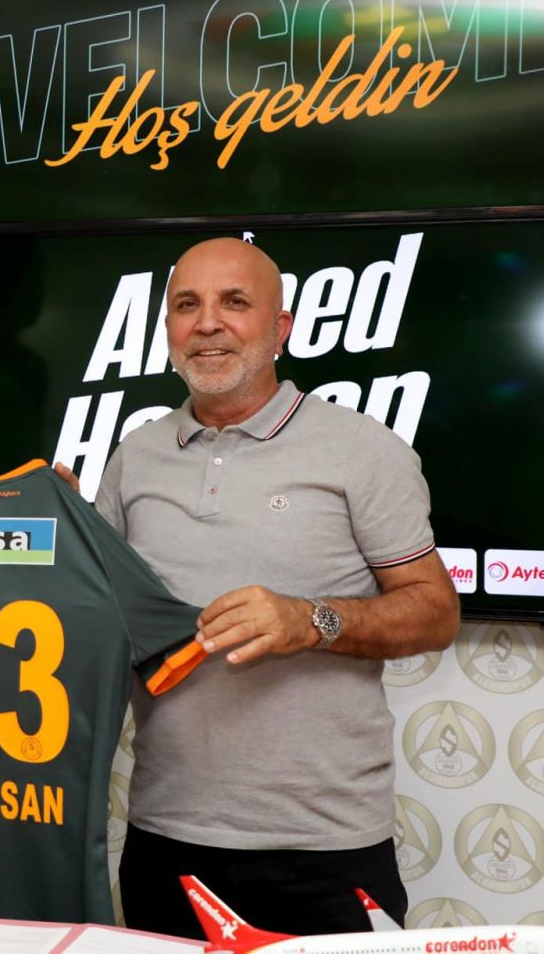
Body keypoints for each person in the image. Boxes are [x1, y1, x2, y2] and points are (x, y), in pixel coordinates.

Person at [89, 236, 459, 938]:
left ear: (281, 328)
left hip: (324, 849)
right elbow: (95, 617)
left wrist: (311, 620)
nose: (207, 323)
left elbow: (436, 612)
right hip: (165, 836)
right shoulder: (135, 457)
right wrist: (48, 536)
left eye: (234, 302)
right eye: (187, 305)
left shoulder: (361, 449)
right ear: (167, 329)